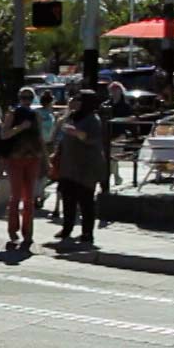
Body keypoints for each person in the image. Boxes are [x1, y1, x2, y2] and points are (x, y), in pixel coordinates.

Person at [0, 88, 45, 250]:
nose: (27, 100)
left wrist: (45, 158)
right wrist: (20, 127)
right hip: (15, 158)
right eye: (24, 97)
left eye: (30, 97)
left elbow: (40, 137)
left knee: (29, 198)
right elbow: (3, 135)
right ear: (19, 98)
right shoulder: (12, 114)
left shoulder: (35, 115)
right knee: (16, 196)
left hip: (33, 158)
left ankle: (28, 232)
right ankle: (13, 230)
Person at [57, 91, 106, 246]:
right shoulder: (72, 116)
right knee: (68, 200)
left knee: (86, 202)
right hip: (68, 166)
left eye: (78, 99)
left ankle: (87, 233)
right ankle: (67, 228)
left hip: (86, 168)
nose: (74, 102)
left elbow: (93, 140)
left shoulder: (93, 119)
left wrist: (77, 133)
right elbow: (62, 136)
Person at [35, 90, 59, 217]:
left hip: (48, 143)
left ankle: (39, 195)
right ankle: (38, 195)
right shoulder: (43, 113)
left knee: (44, 172)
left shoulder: (50, 114)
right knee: (42, 171)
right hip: (42, 144)